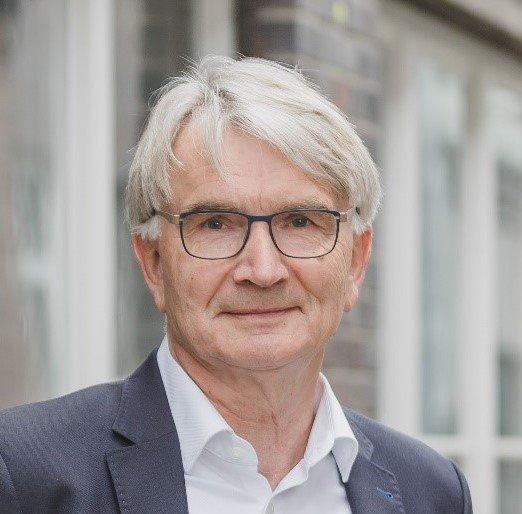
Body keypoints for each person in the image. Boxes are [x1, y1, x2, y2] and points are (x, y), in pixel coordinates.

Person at [0, 55, 472, 514]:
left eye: (300, 221)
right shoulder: (23, 477)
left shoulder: (431, 492)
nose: (263, 270)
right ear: (153, 262)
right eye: (215, 224)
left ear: (355, 261)